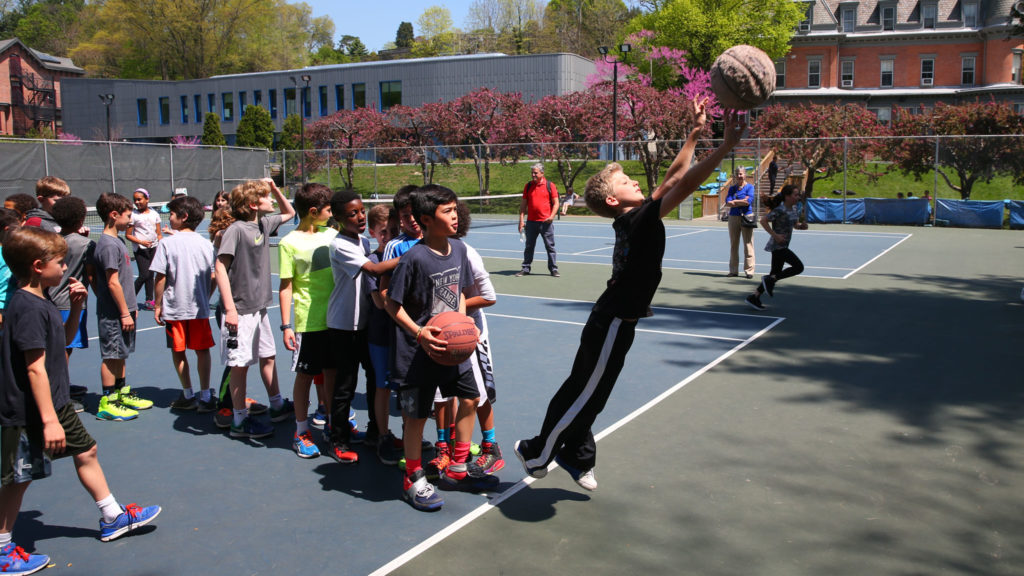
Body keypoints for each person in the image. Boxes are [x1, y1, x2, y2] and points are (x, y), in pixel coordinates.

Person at [514, 99, 745, 491]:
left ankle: (576, 454)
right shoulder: (637, 219)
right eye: (626, 183)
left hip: (619, 321)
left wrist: (694, 133)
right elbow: (679, 180)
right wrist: (720, 146)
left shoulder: (639, 218)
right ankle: (538, 453)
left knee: (594, 392)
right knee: (584, 390)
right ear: (612, 201)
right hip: (612, 319)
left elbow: (674, 180)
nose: (635, 182)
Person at [0, 226, 161, 573]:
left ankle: (113, 515)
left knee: (86, 450)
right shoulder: (26, 306)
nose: (65, 268)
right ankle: (1, 548)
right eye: (61, 262)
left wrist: (75, 310)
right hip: (30, 409)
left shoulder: (39, 299)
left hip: (52, 402)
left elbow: (62, 339)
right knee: (18, 478)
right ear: (38, 266)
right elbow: (35, 369)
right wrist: (49, 419)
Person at [386, 185, 499, 511]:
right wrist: (420, 332)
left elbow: (461, 293)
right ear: (425, 220)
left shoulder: (459, 250)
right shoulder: (413, 259)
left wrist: (463, 327)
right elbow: (392, 306)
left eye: (455, 209)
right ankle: (413, 477)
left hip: (452, 349)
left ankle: (458, 466)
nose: (455, 216)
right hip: (416, 352)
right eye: (447, 211)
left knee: (470, 397)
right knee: (416, 416)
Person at [215, 178, 295, 439]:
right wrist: (230, 310)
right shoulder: (236, 230)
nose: (271, 200)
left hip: (259, 309)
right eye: (266, 197)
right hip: (240, 310)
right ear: (252, 204)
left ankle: (277, 404)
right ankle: (239, 421)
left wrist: (273, 188)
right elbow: (220, 268)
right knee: (240, 366)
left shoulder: (263, 223)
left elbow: (289, 213)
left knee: (268, 356)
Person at [326, 190, 399, 464]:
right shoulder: (340, 245)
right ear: (337, 217)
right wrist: (411, 254)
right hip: (343, 325)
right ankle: (338, 438)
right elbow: (374, 270)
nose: (358, 217)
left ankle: (374, 432)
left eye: (360, 211)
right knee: (345, 385)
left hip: (365, 324)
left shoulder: (363, 241)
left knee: (373, 380)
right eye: (352, 213)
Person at [277, 184, 337, 460]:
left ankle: (335, 425)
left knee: (333, 375)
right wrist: (287, 325)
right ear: (313, 212)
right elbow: (286, 286)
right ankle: (301, 431)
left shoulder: (333, 234)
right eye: (328, 209)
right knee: (305, 377)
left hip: (336, 319)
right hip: (308, 322)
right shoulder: (289, 243)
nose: (332, 213)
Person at [90, 193, 154, 421]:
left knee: (121, 353)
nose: (131, 220)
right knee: (111, 356)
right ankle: (108, 402)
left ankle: (121, 393)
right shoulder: (108, 245)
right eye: (128, 216)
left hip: (124, 311)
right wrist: (124, 312)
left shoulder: (116, 241)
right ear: (113, 215)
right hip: (115, 314)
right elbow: (111, 281)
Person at [152, 196, 217, 413]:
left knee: (178, 351)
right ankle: (206, 395)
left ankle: (188, 394)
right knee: (202, 351)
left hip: (174, 309)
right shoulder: (206, 245)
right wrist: (205, 297)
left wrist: (158, 304)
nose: (169, 218)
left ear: (184, 217)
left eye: (171, 214)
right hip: (199, 308)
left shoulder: (166, 243)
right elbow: (215, 276)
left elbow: (160, 278)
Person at [453, 200, 504, 476]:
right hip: (447, 333)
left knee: (480, 394)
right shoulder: (429, 251)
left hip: (472, 334)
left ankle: (491, 447)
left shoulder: (468, 254)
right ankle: (452, 444)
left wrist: (458, 309)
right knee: (451, 393)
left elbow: (489, 296)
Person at [364, 204, 404, 465]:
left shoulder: (405, 254)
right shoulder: (373, 263)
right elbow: (380, 303)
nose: (388, 235)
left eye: (393, 230)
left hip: (401, 335)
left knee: (402, 386)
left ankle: (407, 436)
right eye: (383, 231)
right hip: (380, 334)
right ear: (372, 232)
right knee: (382, 386)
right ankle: (382, 436)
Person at [48, 197, 96, 409]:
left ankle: (61, 386)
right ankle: (61, 396)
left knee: (57, 349)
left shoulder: (50, 240)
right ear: (81, 218)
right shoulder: (87, 245)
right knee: (64, 350)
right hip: (70, 304)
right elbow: (92, 276)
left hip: (50, 302)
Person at [746, 184, 807, 311]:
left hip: (784, 245)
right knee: (798, 267)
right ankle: (769, 280)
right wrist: (776, 236)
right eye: (795, 194)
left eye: (798, 194)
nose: (798, 197)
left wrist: (801, 226)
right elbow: (763, 220)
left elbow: (795, 224)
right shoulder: (780, 209)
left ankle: (754, 296)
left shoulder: (794, 208)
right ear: (787, 196)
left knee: (774, 273)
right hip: (778, 246)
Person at [516, 163, 560, 277]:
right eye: (532, 173)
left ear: (542, 173)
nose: (533, 175)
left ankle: (553, 269)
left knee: (550, 247)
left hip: (546, 223)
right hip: (531, 223)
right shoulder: (528, 186)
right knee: (529, 246)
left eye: (535, 173)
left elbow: (556, 203)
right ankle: (525, 268)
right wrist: (521, 220)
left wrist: (551, 217)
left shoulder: (550, 185)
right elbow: (523, 206)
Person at [126, 188, 162, 311]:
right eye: (135, 200)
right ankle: (129, 299)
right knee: (144, 274)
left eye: (139, 199)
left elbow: (158, 232)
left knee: (151, 274)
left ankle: (149, 300)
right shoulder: (133, 216)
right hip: (141, 249)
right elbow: (128, 235)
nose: (137, 202)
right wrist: (142, 242)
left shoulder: (154, 214)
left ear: (147, 199)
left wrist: (160, 240)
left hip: (153, 248)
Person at [724, 167, 755, 279]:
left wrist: (735, 201)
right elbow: (728, 202)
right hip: (733, 217)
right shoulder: (732, 188)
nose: (739, 176)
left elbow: (748, 202)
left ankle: (749, 271)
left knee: (748, 244)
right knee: (734, 244)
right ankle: (733, 270)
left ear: (745, 175)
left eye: (741, 174)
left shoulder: (750, 187)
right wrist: (740, 202)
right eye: (737, 174)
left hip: (747, 217)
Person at [0, 208, 20, 331]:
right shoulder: (7, 253)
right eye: (18, 229)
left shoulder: (13, 251)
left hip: (13, 306)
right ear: (7, 229)